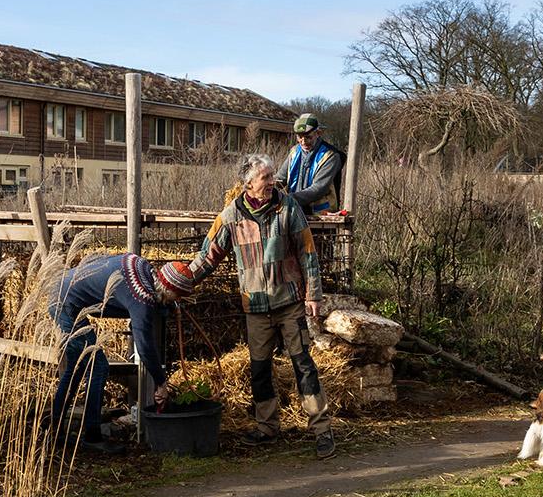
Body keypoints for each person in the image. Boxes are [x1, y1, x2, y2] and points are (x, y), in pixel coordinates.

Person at [190, 153, 334, 457]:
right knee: (259, 369)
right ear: (248, 184)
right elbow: (208, 256)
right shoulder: (231, 216)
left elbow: (307, 252)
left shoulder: (288, 207)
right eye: (266, 177)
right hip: (255, 307)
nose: (272, 182)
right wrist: (180, 283)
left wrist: (313, 295)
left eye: (272, 176)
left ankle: (322, 429)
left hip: (289, 302)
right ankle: (267, 427)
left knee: (303, 365)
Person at [49, 253, 202, 453]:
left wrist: (167, 305)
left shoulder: (144, 269)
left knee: (76, 369)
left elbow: (149, 301)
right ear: (169, 288)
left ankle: (54, 429)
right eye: (178, 295)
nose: (178, 300)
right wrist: (161, 382)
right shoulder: (142, 297)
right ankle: (92, 436)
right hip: (65, 305)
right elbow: (145, 347)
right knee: (98, 367)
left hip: (63, 292)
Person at [282, 114, 346, 216]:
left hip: (320, 215)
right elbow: (281, 178)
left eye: (308, 137)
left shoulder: (331, 156)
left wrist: (287, 199)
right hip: (294, 212)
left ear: (318, 133)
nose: (303, 142)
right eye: (300, 137)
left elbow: (318, 189)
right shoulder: (294, 152)